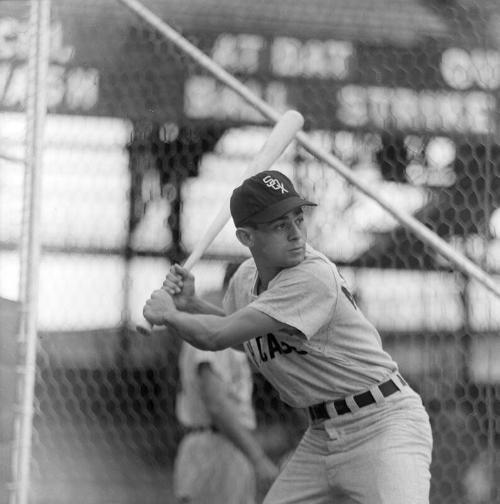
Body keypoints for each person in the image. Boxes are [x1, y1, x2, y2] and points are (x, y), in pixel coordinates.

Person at [144, 169, 433, 504]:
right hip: (322, 434)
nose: (297, 234)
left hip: (381, 425)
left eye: (298, 219)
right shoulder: (245, 279)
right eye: (280, 226)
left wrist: (169, 314)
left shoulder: (311, 275)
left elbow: (216, 338)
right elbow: (243, 338)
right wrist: (191, 305)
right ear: (246, 238)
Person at [173, 263, 279, 504]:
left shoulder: (231, 331)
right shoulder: (211, 331)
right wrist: (258, 458)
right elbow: (217, 404)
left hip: (226, 445)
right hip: (214, 445)